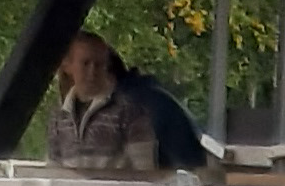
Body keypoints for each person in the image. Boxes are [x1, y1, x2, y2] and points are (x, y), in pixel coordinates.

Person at [52, 32, 210, 175]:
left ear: (107, 73)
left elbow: (146, 173)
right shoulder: (150, 97)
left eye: (97, 66)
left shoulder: (136, 108)